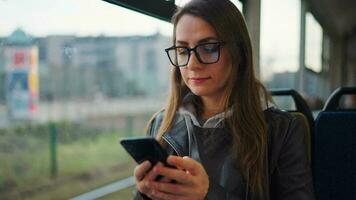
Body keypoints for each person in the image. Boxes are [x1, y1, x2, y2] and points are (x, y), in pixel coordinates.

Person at [133, 0, 315, 199]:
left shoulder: (283, 130)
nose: (192, 64)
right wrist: (145, 194)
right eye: (183, 51)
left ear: (238, 52)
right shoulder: (161, 124)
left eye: (209, 48)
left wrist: (208, 194)